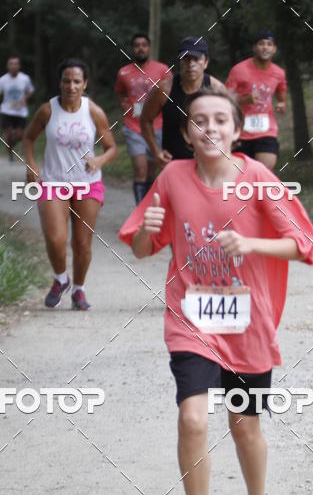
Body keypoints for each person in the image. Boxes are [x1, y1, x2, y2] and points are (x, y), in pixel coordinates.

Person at [119, 87, 313, 495]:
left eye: (221, 120)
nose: (210, 127)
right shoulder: (172, 177)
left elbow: (303, 243)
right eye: (199, 120)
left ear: (237, 130)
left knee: (244, 424)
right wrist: (147, 229)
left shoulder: (258, 179)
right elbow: (142, 248)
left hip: (246, 323)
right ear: (186, 133)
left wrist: (250, 243)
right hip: (192, 320)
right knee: (192, 418)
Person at [24, 58, 117, 310]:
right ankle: (60, 278)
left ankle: (79, 289)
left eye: (77, 81)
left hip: (87, 183)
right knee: (56, 238)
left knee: (82, 244)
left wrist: (99, 160)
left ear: (85, 84)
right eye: (66, 81)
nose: (71, 86)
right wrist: (30, 163)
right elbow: (29, 138)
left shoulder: (94, 111)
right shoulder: (47, 110)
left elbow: (111, 147)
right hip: (53, 182)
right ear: (60, 83)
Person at [140, 37, 225, 167]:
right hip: (174, 163)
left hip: (208, 162)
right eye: (186, 59)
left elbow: (227, 124)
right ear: (180, 62)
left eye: (196, 59)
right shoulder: (164, 89)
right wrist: (156, 152)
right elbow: (145, 120)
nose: (191, 64)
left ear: (206, 62)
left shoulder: (217, 90)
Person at [114, 34, 169, 203]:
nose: (140, 48)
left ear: (149, 48)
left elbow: (170, 92)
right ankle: (140, 209)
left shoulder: (162, 70)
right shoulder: (124, 72)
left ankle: (149, 206)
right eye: (137, 45)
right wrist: (123, 104)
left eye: (144, 45)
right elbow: (120, 91)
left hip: (156, 126)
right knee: (140, 170)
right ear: (133, 48)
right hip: (134, 126)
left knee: (151, 172)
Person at [225, 31, 287, 170]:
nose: (265, 47)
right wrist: (244, 100)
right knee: (241, 173)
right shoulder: (239, 70)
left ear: (274, 49)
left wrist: (282, 103)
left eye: (269, 44)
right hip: (240, 131)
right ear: (254, 48)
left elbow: (281, 90)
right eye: (261, 44)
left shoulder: (279, 73)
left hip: (266, 131)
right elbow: (225, 99)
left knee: (264, 169)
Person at [0, 54, 35, 162]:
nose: (14, 66)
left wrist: (25, 98)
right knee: (9, 134)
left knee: (19, 136)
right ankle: (10, 154)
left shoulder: (25, 78)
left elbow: (30, 91)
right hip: (7, 110)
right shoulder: (2, 80)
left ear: (19, 66)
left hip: (21, 111)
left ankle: (10, 144)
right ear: (8, 66)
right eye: (11, 64)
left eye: (16, 64)